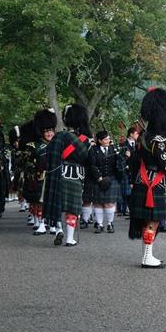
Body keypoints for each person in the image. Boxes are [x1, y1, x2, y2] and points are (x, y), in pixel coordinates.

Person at [127, 88, 166, 268]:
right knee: (153, 221)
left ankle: (146, 255)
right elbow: (165, 165)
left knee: (148, 221)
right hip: (155, 183)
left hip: (143, 179)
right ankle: (147, 257)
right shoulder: (158, 140)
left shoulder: (143, 137)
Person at [42, 104, 92, 246]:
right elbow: (86, 158)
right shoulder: (85, 139)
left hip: (58, 174)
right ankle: (70, 238)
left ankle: (59, 231)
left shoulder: (59, 136)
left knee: (57, 206)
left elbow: (48, 156)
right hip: (75, 177)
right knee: (72, 208)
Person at [24, 110, 57, 235]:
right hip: (41, 177)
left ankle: (54, 224)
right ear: (42, 132)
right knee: (40, 202)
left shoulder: (58, 144)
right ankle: (42, 224)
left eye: (51, 131)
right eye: (46, 131)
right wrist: (34, 172)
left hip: (54, 177)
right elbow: (27, 162)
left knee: (53, 201)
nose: (49, 133)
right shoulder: (34, 146)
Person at [85, 130, 124, 234]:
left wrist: (122, 156)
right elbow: (91, 165)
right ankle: (100, 224)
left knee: (109, 203)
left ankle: (110, 223)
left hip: (111, 179)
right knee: (98, 203)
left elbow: (119, 164)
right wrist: (99, 178)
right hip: (97, 179)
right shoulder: (93, 150)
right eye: (106, 139)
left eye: (108, 139)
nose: (108, 140)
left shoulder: (114, 149)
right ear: (100, 140)